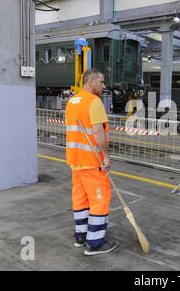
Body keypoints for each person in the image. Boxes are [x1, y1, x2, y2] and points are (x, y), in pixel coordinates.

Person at [65, 68, 117, 256]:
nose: (104, 86)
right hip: (91, 160)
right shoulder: (94, 102)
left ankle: (81, 236)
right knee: (99, 200)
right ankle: (94, 243)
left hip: (75, 160)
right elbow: (97, 131)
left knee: (80, 199)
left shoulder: (72, 101)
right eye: (101, 82)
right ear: (91, 81)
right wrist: (106, 156)